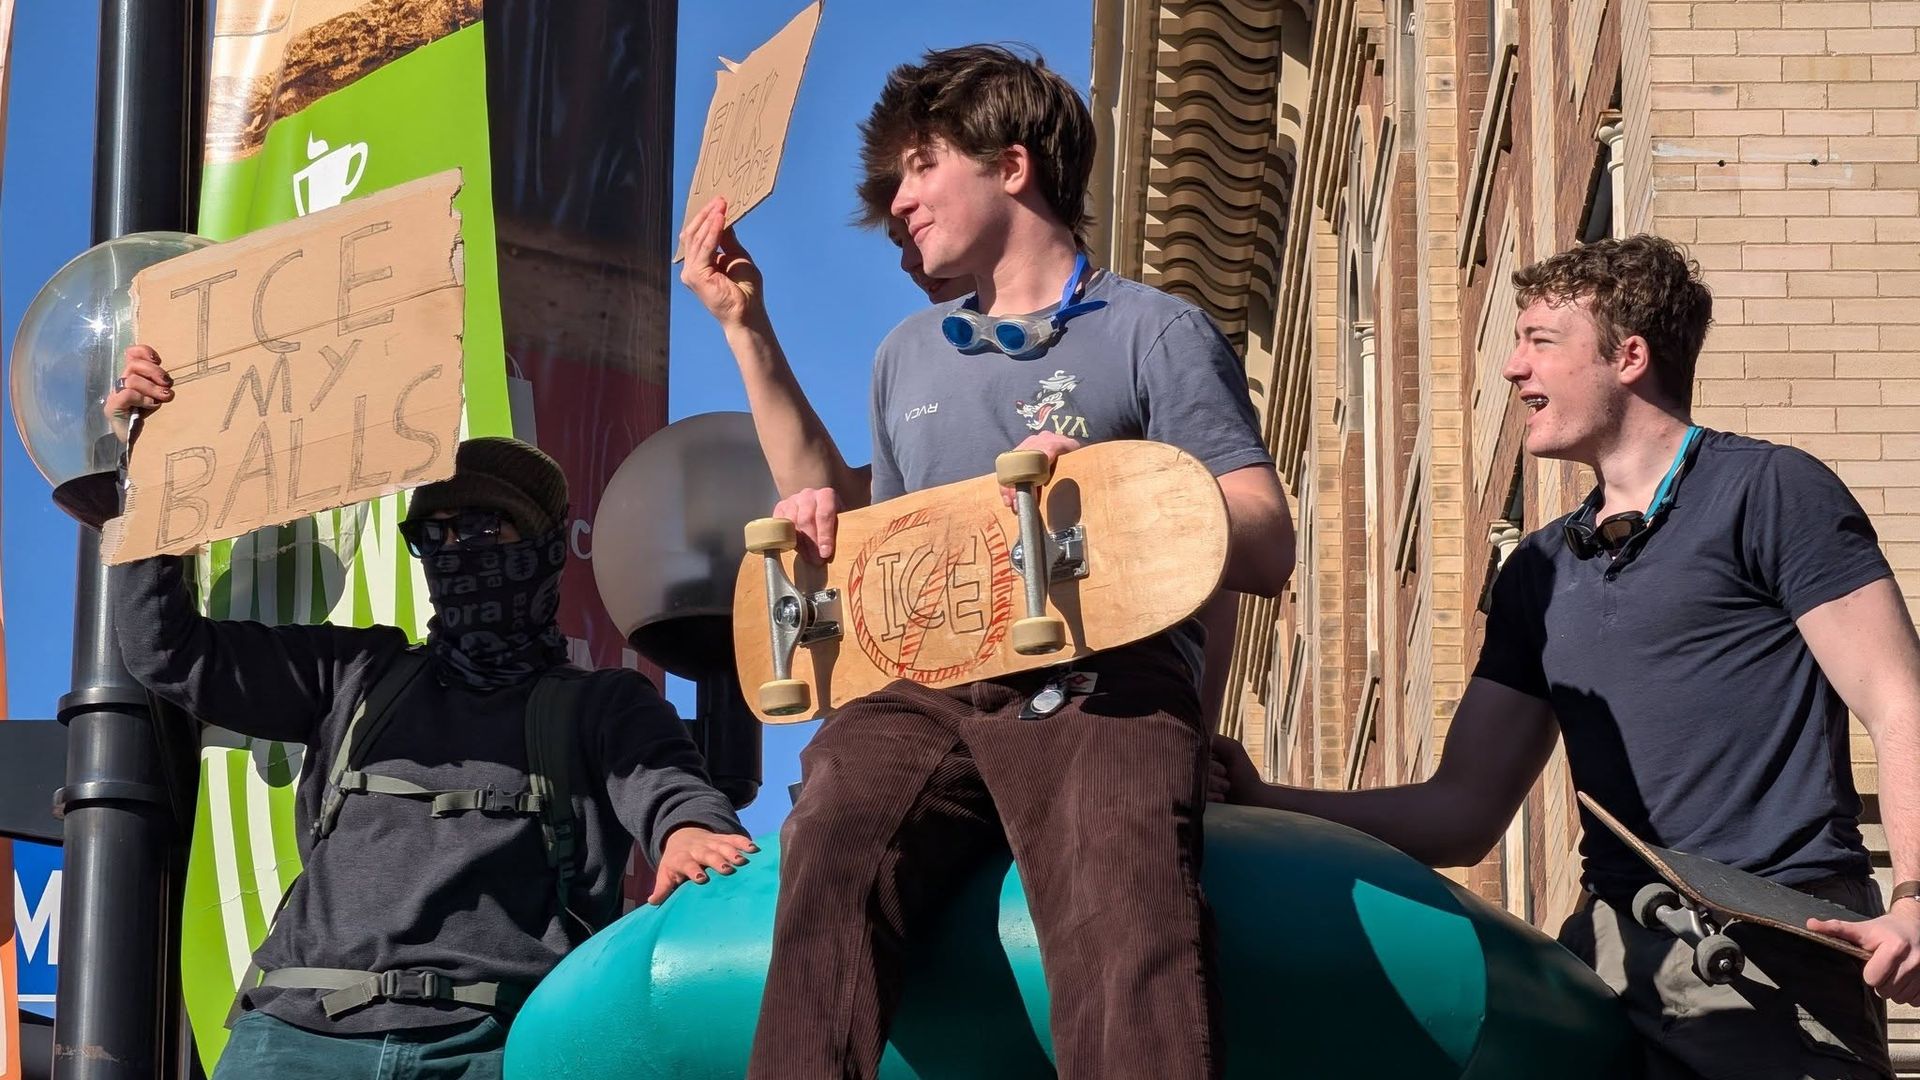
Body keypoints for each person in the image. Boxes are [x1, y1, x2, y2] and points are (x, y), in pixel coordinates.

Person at [712, 45, 1293, 1080]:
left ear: (1011, 165)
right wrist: (745, 329)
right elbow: (876, 526)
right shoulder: (908, 355)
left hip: (1102, 679)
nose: (897, 203)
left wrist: (1118, 493)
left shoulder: (1155, 332)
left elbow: (1264, 535)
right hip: (928, 684)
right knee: (830, 838)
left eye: (919, 166)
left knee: (1126, 904)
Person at [1216, 235, 1920, 1080]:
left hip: (1769, 949)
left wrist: (1916, 899)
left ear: (1629, 355)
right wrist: (1263, 801)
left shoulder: (1769, 492)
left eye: (1541, 341)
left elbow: (1898, 703)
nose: (1512, 368)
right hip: (1606, 967)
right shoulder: (1538, 572)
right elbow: (1464, 809)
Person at [104, 344, 757, 1078]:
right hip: (297, 1042)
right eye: (434, 536)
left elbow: (667, 785)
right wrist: (151, 471)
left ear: (541, 549)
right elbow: (167, 651)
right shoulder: (355, 673)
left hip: (493, 1046)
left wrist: (691, 830)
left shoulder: (600, 705)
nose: (455, 551)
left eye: (482, 530)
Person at [680, 199, 1247, 726]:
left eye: (915, 226)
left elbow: (1214, 553)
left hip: (1099, 697)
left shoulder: (1141, 330)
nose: (908, 260)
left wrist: (1201, 723)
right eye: (898, 240)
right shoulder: (906, 358)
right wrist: (744, 326)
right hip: (944, 699)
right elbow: (861, 535)